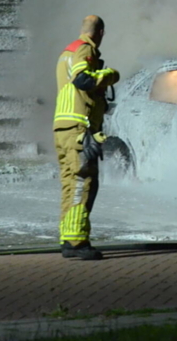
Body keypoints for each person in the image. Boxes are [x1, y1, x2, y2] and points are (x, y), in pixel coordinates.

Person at [53, 15, 119, 260]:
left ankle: (68, 240)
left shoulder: (66, 53)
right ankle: (78, 242)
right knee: (84, 183)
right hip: (80, 129)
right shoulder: (84, 49)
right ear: (100, 32)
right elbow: (83, 79)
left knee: (71, 185)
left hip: (65, 128)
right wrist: (110, 75)